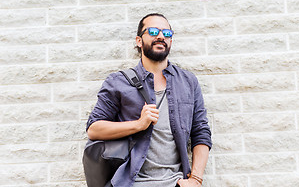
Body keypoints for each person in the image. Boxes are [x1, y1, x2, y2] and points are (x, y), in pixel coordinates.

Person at [86, 13, 212, 187]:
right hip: (131, 183)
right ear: (139, 40)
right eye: (153, 31)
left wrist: (196, 180)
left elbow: (201, 132)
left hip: (175, 183)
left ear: (171, 41)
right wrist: (139, 124)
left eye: (167, 33)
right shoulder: (118, 82)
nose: (161, 36)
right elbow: (94, 129)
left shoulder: (188, 82)